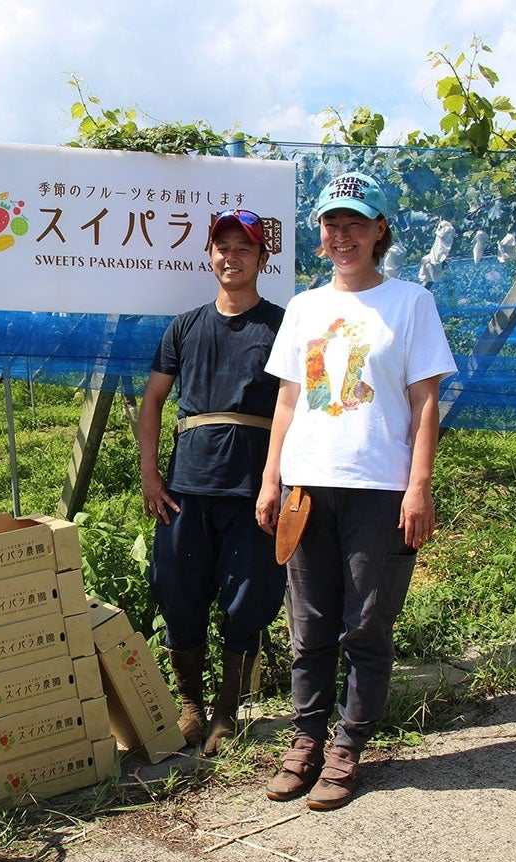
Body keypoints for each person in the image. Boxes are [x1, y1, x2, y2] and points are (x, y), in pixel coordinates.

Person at [256, 170, 457, 810]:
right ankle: (305, 741)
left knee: (365, 625)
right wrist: (271, 478)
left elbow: (426, 402)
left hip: (378, 488)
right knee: (309, 624)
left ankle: (347, 748)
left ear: (379, 232)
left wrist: (418, 486)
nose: (342, 235)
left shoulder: (410, 303)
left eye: (355, 223)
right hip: (308, 485)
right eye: (331, 224)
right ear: (320, 236)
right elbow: (288, 399)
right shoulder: (305, 308)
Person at [138, 209, 289, 756]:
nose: (231, 257)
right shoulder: (184, 326)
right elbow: (154, 400)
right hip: (184, 490)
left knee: (249, 599)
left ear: (262, 260)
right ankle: (191, 706)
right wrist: (151, 474)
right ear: (209, 255)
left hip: (254, 491)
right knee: (178, 594)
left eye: (243, 249)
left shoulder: (280, 326)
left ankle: (227, 711)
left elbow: (297, 406)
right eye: (222, 247)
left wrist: (277, 481)